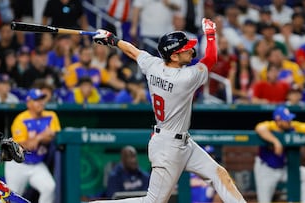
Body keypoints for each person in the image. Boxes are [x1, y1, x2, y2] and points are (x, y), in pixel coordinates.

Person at [90, 18, 246, 203]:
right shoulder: (185, 78)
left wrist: (113, 40)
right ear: (173, 56)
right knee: (153, 201)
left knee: (219, 174)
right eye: (185, 49)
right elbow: (211, 58)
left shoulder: (153, 65)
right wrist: (211, 35)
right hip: (168, 147)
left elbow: (133, 51)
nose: (191, 50)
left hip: (182, 142)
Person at [5, 88, 61, 203]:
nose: (41, 102)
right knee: (13, 197)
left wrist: (38, 138)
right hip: (17, 164)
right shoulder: (21, 120)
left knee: (49, 187)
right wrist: (41, 136)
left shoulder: (51, 116)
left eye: (42, 99)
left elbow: (52, 136)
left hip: (36, 163)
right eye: (37, 100)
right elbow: (27, 146)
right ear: (29, 103)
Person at [254, 105, 305, 203]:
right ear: (278, 120)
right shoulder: (271, 125)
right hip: (266, 170)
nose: (289, 122)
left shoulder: (292, 126)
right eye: (286, 120)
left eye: (289, 119)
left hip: (283, 169)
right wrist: (275, 141)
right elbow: (260, 128)